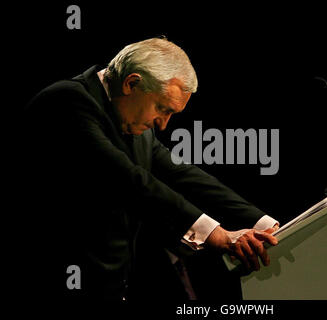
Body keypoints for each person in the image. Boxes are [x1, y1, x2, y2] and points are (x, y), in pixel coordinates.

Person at [22, 37, 279, 302]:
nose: (164, 125)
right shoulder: (67, 101)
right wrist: (219, 236)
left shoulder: (129, 117)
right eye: (162, 109)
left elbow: (182, 174)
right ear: (131, 83)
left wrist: (265, 225)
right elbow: (131, 180)